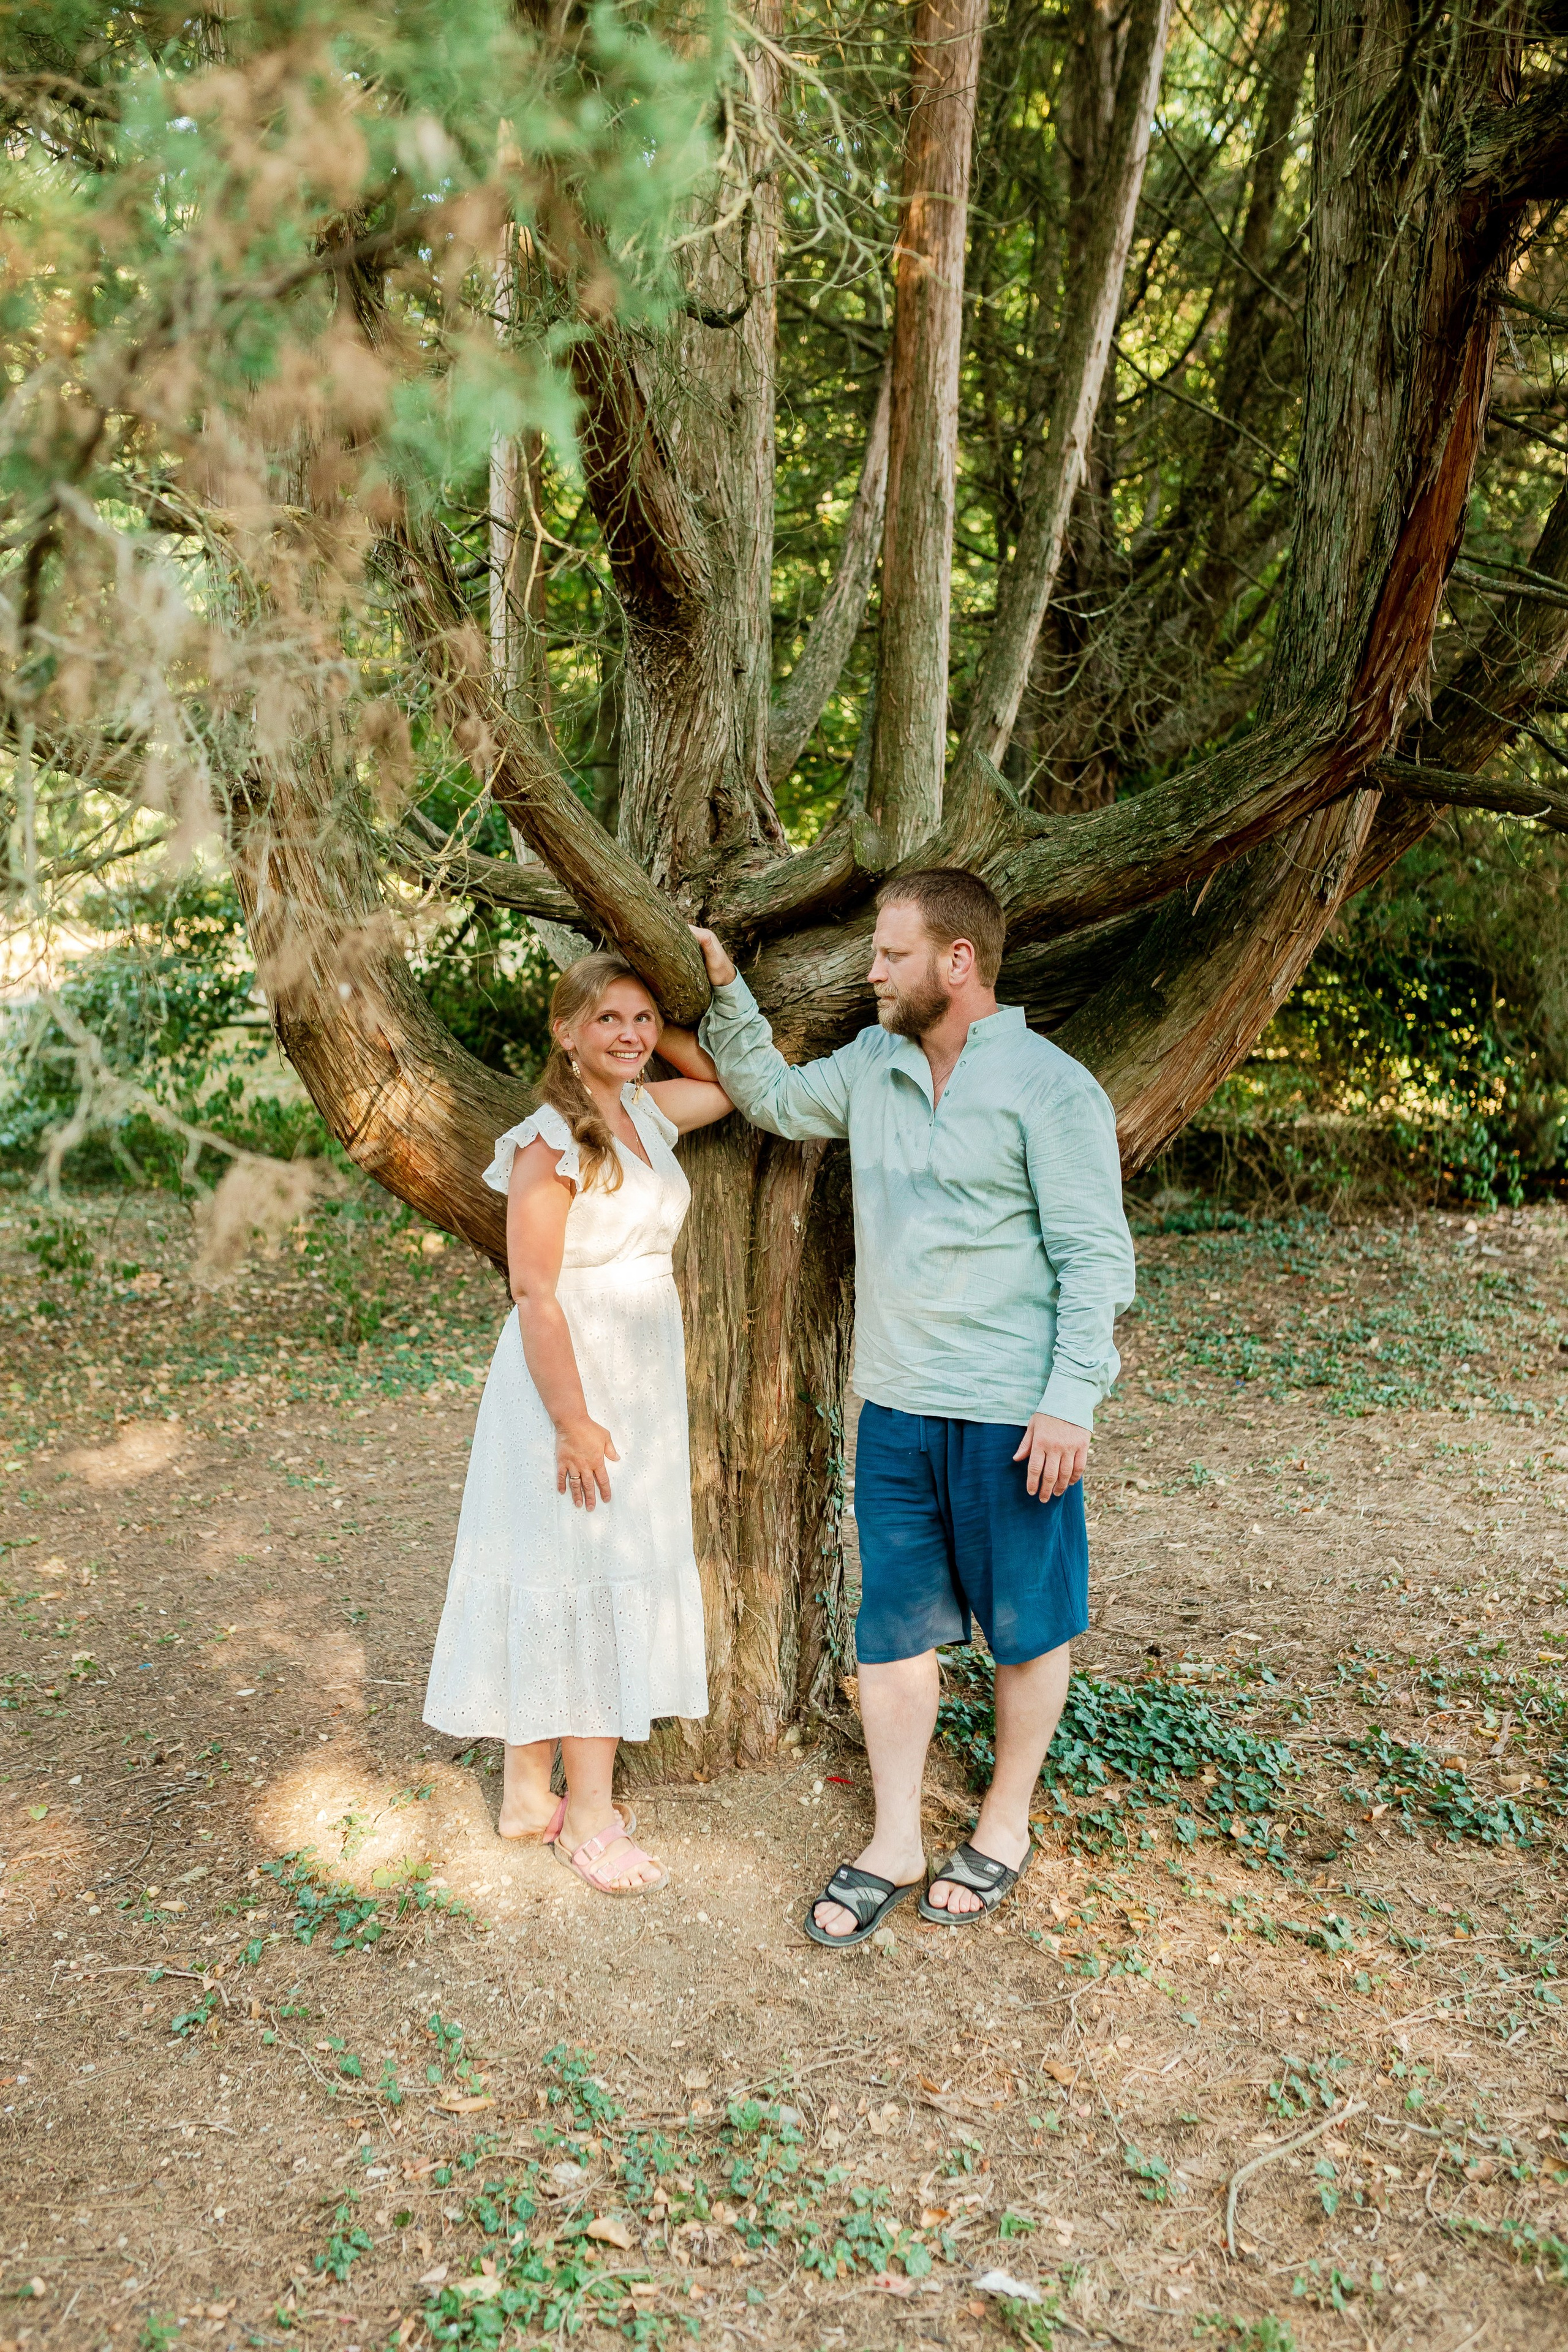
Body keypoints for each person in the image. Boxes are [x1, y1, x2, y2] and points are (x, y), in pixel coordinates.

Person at [691, 869, 1134, 1945]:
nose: (872, 973)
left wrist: (1069, 1403)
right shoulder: (874, 1069)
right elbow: (779, 1101)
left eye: (890, 956)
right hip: (894, 1406)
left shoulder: (1050, 1087)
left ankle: (1006, 1825)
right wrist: (722, 990)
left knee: (1027, 1631)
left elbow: (1094, 1257)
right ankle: (893, 1839)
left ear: (957, 962)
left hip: (1013, 1415)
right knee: (892, 1630)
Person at [423, 951, 732, 1896]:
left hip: (637, 1372)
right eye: (609, 1020)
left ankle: (527, 1795)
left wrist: (672, 1013)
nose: (633, 1036)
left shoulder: (643, 1111)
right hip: (574, 1382)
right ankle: (588, 1821)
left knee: (572, 1569)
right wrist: (572, 1421)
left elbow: (719, 1081)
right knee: (590, 1573)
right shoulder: (549, 1140)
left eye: (642, 1020)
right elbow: (533, 1291)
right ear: (564, 1032)